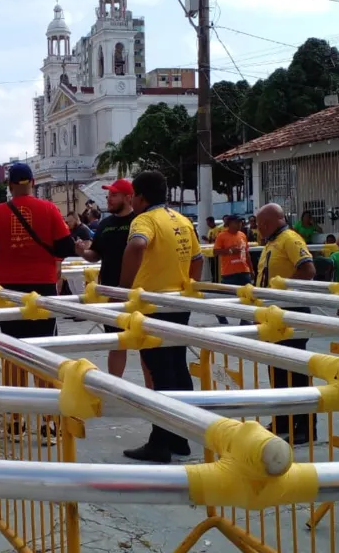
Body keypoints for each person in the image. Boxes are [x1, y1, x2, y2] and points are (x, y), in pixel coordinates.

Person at [0, 163, 74, 444]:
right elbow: (66, 246)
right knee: (44, 354)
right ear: (32, 181)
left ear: (8, 185)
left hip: (9, 292)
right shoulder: (49, 209)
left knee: (14, 353)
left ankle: (16, 421)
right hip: (43, 289)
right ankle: (49, 424)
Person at [116, 171, 203, 463]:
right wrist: (189, 288)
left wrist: (124, 288)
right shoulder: (181, 220)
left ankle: (160, 441)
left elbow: (138, 244)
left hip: (153, 306)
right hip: (179, 302)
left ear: (139, 197)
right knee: (178, 367)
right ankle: (180, 438)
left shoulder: (144, 220)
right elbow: (198, 258)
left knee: (161, 373)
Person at [255, 203, 317, 445]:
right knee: (278, 372)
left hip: (290, 314)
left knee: (296, 374)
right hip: (274, 317)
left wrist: (283, 294)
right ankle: (283, 421)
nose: (257, 229)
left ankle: (305, 427)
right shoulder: (272, 242)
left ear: (267, 223)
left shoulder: (290, 238)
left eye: (259, 224)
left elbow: (308, 269)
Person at [81, 179, 150, 387]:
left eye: (114, 195)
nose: (109, 199)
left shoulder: (140, 221)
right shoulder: (105, 224)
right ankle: (114, 386)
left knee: (147, 343)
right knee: (116, 342)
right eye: (109, 195)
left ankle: (152, 391)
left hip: (141, 292)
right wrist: (82, 252)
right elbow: (95, 254)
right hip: (112, 293)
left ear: (129, 197)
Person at [213, 215, 253, 325]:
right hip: (229, 272)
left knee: (248, 295)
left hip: (244, 270)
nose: (239, 224)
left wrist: (251, 269)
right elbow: (215, 252)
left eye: (240, 222)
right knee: (226, 298)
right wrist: (230, 251)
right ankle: (219, 313)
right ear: (230, 223)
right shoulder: (222, 236)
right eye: (237, 222)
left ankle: (244, 319)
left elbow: (247, 253)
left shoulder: (242, 235)